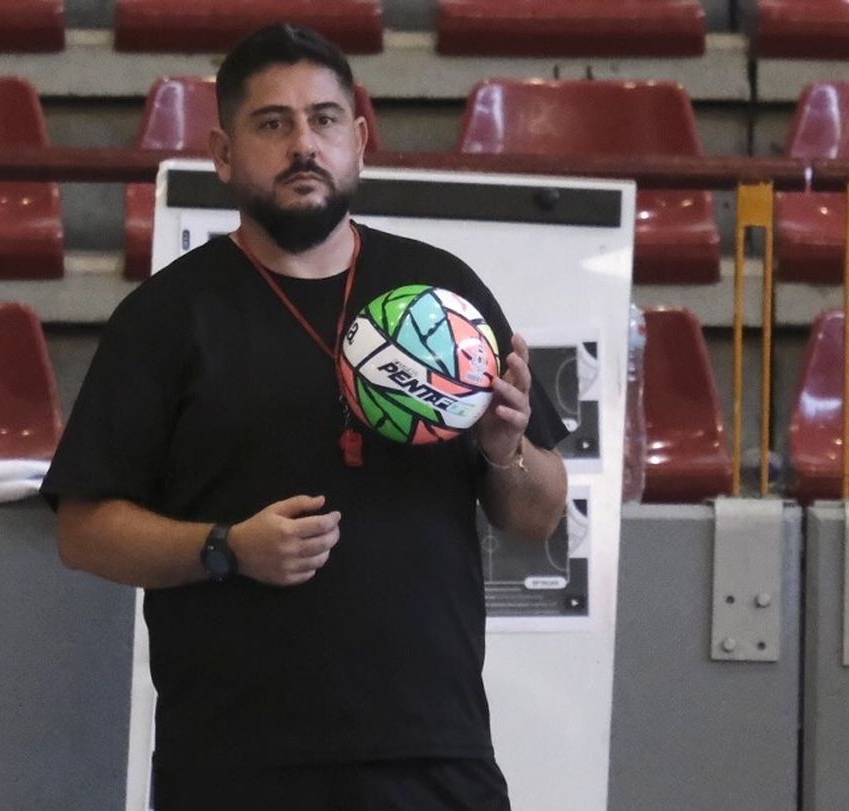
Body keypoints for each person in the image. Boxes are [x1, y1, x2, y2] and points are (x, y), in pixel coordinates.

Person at [42, 23, 571, 811]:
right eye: (272, 123)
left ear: (358, 139)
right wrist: (226, 548)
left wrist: (503, 449)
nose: (303, 145)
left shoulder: (441, 297)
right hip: (233, 762)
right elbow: (83, 529)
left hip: (432, 751)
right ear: (224, 154)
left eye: (323, 120)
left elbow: (538, 514)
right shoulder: (166, 316)